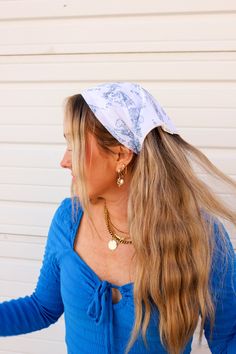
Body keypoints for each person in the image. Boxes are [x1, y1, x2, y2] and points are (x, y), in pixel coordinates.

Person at [0, 82, 235, 354]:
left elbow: (228, 339)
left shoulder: (202, 235)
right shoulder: (69, 219)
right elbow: (41, 308)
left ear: (121, 155)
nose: (64, 161)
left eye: (73, 146)